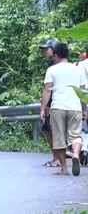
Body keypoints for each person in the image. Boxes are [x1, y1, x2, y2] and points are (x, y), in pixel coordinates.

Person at [40, 43, 86, 176]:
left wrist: (43, 109)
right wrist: (84, 109)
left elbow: (47, 90)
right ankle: (76, 155)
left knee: (59, 138)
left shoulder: (52, 70)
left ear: (55, 55)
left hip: (58, 107)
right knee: (76, 135)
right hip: (75, 107)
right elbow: (83, 91)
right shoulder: (77, 69)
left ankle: (64, 168)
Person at [39, 39, 61, 166]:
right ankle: (55, 157)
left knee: (52, 130)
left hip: (54, 103)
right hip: (52, 102)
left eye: (46, 49)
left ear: (54, 50)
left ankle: (58, 158)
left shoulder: (55, 66)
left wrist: (46, 105)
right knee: (47, 129)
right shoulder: (52, 64)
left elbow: (49, 88)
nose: (44, 52)